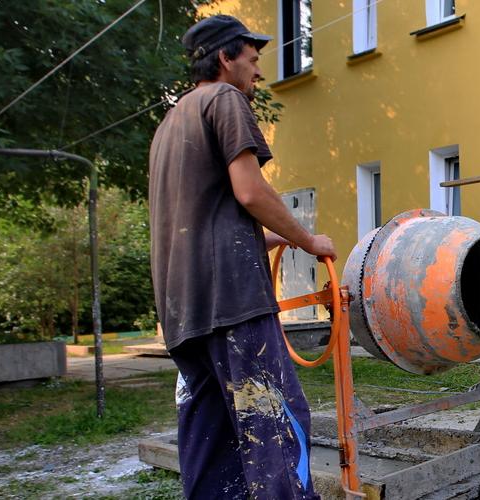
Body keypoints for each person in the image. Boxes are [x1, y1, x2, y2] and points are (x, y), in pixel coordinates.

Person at [149, 15, 334, 499]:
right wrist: (308, 240)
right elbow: (250, 192)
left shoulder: (171, 122)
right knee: (274, 425)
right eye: (252, 60)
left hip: (184, 312)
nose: (258, 73)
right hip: (233, 302)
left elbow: (205, 218)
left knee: (211, 437)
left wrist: (270, 239)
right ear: (225, 58)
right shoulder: (224, 99)